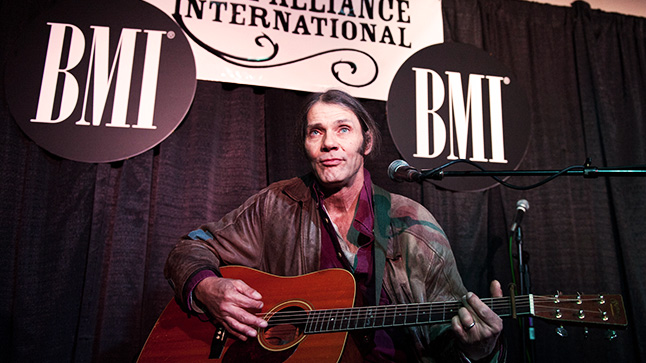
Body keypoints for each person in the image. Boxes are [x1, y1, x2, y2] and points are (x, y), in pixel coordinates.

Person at [164, 89, 505, 362]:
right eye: (317, 132)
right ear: (306, 145)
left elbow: (447, 343)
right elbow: (190, 248)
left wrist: (480, 351)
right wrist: (206, 288)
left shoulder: (413, 225)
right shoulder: (276, 205)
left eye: (343, 129)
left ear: (366, 143)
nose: (329, 143)